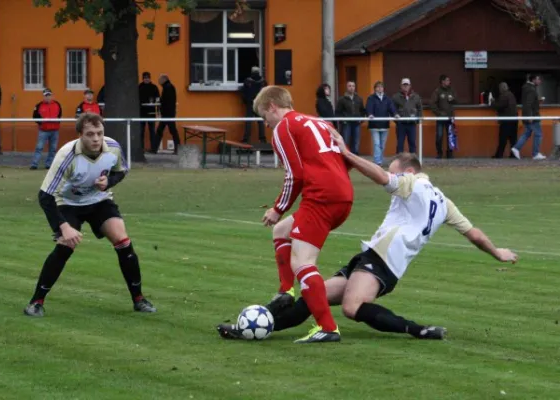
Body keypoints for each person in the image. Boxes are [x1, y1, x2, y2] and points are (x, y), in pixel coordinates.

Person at [218, 146, 518, 342]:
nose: (391, 174)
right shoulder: (444, 202)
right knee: (315, 293)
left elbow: (379, 177)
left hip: (384, 263)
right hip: (372, 257)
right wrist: (497, 252)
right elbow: (474, 234)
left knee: (351, 307)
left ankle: (418, 330)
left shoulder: (413, 183)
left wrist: (347, 154)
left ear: (409, 170)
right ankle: (254, 331)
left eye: (394, 169)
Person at [23, 113, 156, 317]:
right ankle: (36, 302)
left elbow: (121, 171)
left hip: (98, 201)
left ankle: (139, 299)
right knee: (65, 246)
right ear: (80, 135)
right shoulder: (66, 156)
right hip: (67, 203)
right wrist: (63, 227)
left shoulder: (112, 147)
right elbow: (44, 196)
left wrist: (108, 182)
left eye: (99, 133)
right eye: (90, 134)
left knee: (123, 241)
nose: (96, 139)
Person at [252, 86, 354, 343]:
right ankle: (285, 291)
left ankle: (327, 328)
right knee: (282, 231)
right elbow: (345, 158)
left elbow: (294, 174)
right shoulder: (319, 122)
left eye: (265, 117)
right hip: (343, 194)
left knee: (303, 262)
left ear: (273, 106)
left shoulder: (283, 128)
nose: (266, 124)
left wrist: (278, 208)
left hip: (320, 197)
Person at [511, 74, 546, 160]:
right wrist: (530, 116)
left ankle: (516, 148)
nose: (540, 81)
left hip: (527, 115)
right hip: (533, 116)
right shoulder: (531, 89)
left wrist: (538, 101)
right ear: (533, 80)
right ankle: (535, 154)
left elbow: (528, 102)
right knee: (538, 134)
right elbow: (528, 104)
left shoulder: (526, 88)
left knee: (527, 133)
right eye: (538, 79)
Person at [365, 81, 399, 166]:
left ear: (383, 88)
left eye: (381, 87)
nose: (380, 88)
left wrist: (395, 114)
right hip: (374, 125)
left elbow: (392, 108)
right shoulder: (371, 98)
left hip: (384, 125)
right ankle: (377, 162)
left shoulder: (387, 99)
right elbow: (369, 108)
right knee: (377, 144)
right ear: (375, 88)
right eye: (378, 87)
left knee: (382, 145)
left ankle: (380, 159)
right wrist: (370, 114)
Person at [30, 88, 63, 170]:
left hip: (54, 130)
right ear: (43, 96)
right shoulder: (39, 105)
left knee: (53, 149)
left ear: (51, 95)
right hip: (43, 131)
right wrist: (41, 123)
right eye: (46, 96)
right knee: (39, 147)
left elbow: (59, 115)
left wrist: (56, 123)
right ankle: (34, 164)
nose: (48, 97)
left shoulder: (57, 104)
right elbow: (34, 117)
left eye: (49, 95)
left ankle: (49, 164)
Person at [392, 78, 422, 154]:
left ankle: (413, 161)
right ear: (401, 86)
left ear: (410, 86)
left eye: (407, 85)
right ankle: (398, 162)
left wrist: (418, 120)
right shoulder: (396, 97)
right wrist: (397, 120)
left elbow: (420, 109)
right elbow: (393, 109)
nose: (405, 87)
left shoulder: (416, 96)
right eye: (404, 85)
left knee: (412, 143)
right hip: (401, 124)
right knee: (400, 144)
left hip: (412, 124)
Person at [430, 75, 457, 159]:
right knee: (439, 136)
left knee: (451, 136)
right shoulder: (437, 91)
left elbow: (456, 101)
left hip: (450, 117)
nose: (449, 82)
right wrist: (439, 113)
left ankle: (450, 153)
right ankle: (439, 153)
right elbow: (432, 104)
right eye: (447, 80)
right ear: (442, 81)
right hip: (441, 118)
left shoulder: (452, 90)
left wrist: (452, 99)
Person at [335, 81, 366, 155]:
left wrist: (361, 120)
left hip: (356, 123)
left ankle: (355, 157)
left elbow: (362, 111)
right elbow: (337, 112)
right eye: (349, 86)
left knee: (356, 141)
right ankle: (345, 156)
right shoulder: (342, 99)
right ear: (347, 87)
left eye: (353, 86)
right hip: (346, 123)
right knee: (345, 141)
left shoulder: (359, 99)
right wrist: (343, 120)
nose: (351, 88)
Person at [241, 66, 267, 144]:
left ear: (252, 72)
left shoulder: (247, 81)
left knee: (248, 121)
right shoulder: (263, 82)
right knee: (260, 121)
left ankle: (246, 139)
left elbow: (244, 92)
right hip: (260, 104)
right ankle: (262, 139)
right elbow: (266, 93)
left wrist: (246, 101)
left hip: (250, 103)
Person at [155, 74, 180, 155]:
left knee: (170, 130)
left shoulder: (167, 88)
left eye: (160, 80)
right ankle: (154, 148)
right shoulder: (169, 87)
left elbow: (166, 101)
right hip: (169, 113)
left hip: (167, 114)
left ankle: (154, 148)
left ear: (164, 80)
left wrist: (161, 104)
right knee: (170, 130)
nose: (159, 82)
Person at [492, 82, 518, 159]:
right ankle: (513, 154)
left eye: (500, 88)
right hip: (514, 119)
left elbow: (499, 106)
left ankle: (499, 154)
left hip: (506, 120)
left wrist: (492, 102)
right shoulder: (511, 95)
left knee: (503, 138)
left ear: (501, 88)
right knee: (513, 139)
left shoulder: (504, 96)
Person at [139, 72, 160, 153]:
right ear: (143, 78)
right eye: (145, 77)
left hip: (151, 112)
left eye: (147, 77)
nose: (146, 79)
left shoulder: (154, 87)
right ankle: (141, 149)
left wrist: (158, 111)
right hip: (141, 112)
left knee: (152, 131)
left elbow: (158, 99)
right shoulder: (139, 87)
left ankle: (153, 149)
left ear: (150, 78)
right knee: (141, 131)